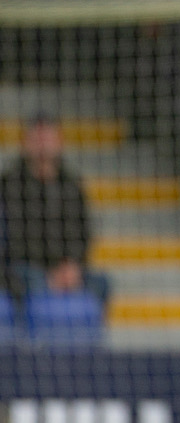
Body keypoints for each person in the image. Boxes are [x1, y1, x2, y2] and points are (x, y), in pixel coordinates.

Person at [0, 115, 108, 307]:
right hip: (21, 269)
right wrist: (50, 273)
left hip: (66, 268)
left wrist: (72, 265)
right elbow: (12, 238)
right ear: (25, 143)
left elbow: (83, 234)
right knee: (32, 282)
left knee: (101, 283)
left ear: (59, 142)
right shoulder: (9, 185)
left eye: (47, 139)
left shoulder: (71, 185)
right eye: (37, 139)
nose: (42, 145)